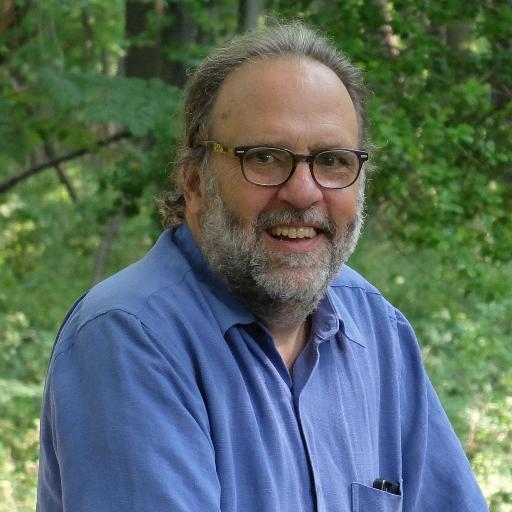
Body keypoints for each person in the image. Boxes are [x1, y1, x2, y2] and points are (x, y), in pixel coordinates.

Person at [37, 21, 488, 512]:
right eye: (266, 158)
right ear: (194, 182)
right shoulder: (129, 337)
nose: (303, 192)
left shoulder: (377, 329)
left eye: (333, 161)